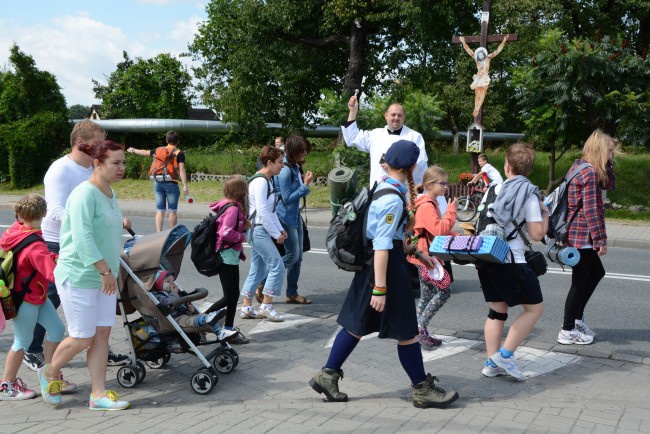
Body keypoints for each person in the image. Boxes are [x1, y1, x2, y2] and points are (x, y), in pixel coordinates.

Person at [309, 140, 459, 408]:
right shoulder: (391, 198)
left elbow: (391, 238)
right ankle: (422, 389)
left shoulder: (384, 187)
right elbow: (381, 245)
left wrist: (415, 251)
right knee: (407, 332)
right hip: (385, 271)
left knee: (356, 325)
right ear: (412, 167)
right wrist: (380, 287)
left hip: (378, 268)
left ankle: (326, 375)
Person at [23, 120, 129, 372]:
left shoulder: (92, 171)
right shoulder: (61, 170)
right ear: (82, 144)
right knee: (50, 297)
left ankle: (97, 347)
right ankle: (32, 348)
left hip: (87, 244)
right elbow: (55, 211)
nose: (102, 149)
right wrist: (85, 221)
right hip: (59, 243)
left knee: (87, 311)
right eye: (98, 144)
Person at [39, 140, 131, 410]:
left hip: (105, 277)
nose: (121, 167)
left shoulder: (110, 193)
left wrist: (113, 266)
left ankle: (98, 394)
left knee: (102, 335)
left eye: (123, 162)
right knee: (82, 337)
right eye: (116, 163)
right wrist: (104, 269)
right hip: (80, 275)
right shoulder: (83, 194)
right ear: (97, 164)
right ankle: (49, 373)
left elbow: (108, 234)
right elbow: (82, 239)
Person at [476, 142, 548, 380]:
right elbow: (537, 235)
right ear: (529, 169)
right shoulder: (529, 193)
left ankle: (491, 362)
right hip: (512, 259)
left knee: (497, 309)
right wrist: (545, 214)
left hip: (487, 256)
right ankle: (504, 356)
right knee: (534, 308)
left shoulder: (493, 189)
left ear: (506, 166)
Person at [0, 195, 73, 401]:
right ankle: (6, 385)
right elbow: (53, 274)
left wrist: (53, 257)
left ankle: (49, 373)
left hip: (35, 294)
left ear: (19, 215)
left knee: (57, 330)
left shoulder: (15, 231)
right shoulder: (35, 245)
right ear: (43, 215)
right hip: (26, 299)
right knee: (22, 341)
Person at [557, 130, 617, 345]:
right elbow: (592, 209)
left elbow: (609, 184)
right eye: (609, 151)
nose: (612, 155)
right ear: (600, 150)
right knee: (580, 282)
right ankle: (567, 328)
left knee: (596, 273)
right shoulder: (589, 173)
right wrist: (600, 239)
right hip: (582, 235)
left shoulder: (580, 167)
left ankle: (576, 320)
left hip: (577, 233)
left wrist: (607, 165)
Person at [407, 166, 458, 350]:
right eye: (442, 183)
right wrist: (451, 212)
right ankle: (420, 328)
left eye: (446, 183)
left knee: (426, 295)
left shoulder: (427, 202)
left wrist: (455, 235)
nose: (446, 187)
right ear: (429, 184)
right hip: (426, 258)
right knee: (445, 291)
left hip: (424, 256)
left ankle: (418, 330)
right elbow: (438, 230)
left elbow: (434, 230)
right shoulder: (427, 205)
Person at [239, 146, 287, 322]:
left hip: (260, 229)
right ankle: (266, 306)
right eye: (280, 162)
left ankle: (246, 307)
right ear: (269, 163)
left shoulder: (269, 180)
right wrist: (276, 234)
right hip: (258, 230)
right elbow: (263, 212)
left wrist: (280, 229)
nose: (282, 166)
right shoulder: (260, 182)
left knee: (257, 269)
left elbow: (271, 211)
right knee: (278, 266)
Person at [204, 175, 251, 344]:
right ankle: (202, 320)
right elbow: (225, 233)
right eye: (245, 188)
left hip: (231, 255)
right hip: (225, 255)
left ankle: (229, 330)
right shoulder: (232, 209)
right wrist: (241, 237)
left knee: (234, 295)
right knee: (229, 296)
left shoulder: (234, 206)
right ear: (239, 191)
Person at [276, 135, 313, 305]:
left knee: (298, 258)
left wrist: (304, 184)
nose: (304, 153)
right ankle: (262, 281)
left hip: (295, 215)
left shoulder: (295, 167)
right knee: (292, 255)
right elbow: (286, 198)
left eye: (305, 150)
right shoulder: (285, 170)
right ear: (293, 151)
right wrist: (305, 186)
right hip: (286, 217)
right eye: (301, 150)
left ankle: (292, 293)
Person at [127, 131, 190, 232]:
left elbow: (145, 152)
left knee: (160, 211)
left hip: (158, 182)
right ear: (178, 141)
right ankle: (171, 233)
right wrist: (185, 186)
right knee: (172, 211)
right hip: (171, 183)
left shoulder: (158, 150)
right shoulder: (179, 153)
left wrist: (133, 150)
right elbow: (182, 170)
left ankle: (158, 233)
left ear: (166, 140)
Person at [151, 271, 237, 342]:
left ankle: (220, 333)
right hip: (173, 321)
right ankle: (206, 319)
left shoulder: (172, 293)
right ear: (158, 284)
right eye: (168, 281)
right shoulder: (158, 296)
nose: (172, 284)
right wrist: (174, 294)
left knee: (203, 318)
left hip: (183, 316)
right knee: (191, 320)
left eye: (173, 281)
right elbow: (168, 303)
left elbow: (179, 307)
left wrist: (189, 310)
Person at [459, 35, 509, 117]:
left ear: (484, 54)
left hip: (485, 78)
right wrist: (463, 42)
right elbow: (468, 50)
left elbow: (498, 50)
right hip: (478, 77)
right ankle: (475, 108)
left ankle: (477, 109)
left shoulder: (488, 58)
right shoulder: (476, 58)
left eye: (482, 55)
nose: (481, 56)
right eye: (480, 55)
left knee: (482, 95)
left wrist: (503, 41)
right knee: (477, 94)